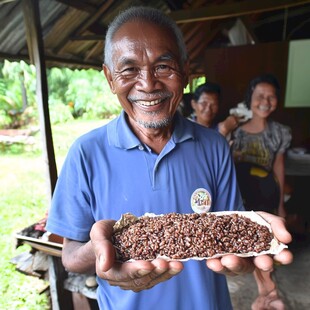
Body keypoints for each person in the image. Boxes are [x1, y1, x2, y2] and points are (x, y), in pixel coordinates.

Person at [46, 7, 292, 310]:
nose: (148, 84)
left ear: (186, 74)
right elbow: (70, 256)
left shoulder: (213, 145)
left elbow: (231, 228)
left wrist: (255, 271)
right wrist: (102, 251)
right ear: (110, 78)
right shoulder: (86, 153)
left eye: (164, 67)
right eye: (129, 70)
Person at [231, 74, 292, 309]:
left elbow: (278, 166)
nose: (265, 101)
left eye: (271, 97)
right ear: (250, 99)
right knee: (252, 246)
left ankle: (266, 292)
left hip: (267, 197)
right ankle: (267, 292)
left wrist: (280, 204)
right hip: (242, 198)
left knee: (268, 245)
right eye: (260, 96)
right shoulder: (235, 132)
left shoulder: (281, 133)